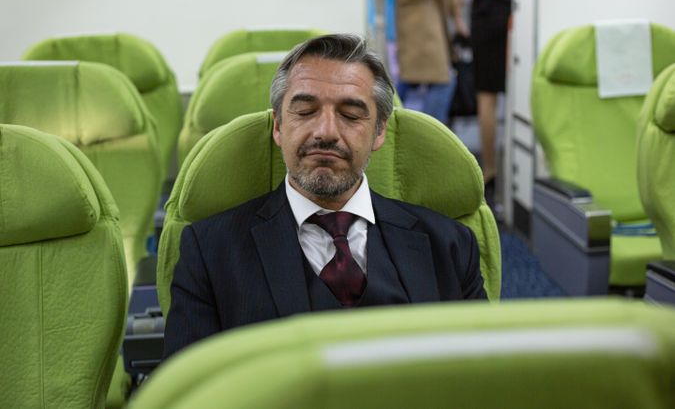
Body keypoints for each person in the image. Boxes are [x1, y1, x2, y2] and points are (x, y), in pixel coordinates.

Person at [163, 34, 487, 358]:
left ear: (379, 131)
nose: (326, 132)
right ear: (278, 127)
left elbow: (482, 380)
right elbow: (189, 394)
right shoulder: (210, 253)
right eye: (305, 111)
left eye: (350, 115)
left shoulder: (450, 246)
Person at [394, 0, 467, 125]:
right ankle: (428, 135)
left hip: (431, 17)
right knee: (442, 81)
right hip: (419, 19)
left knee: (413, 79)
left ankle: (395, 125)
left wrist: (456, 14)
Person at [465, 0, 511, 204]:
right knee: (513, 96)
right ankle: (508, 168)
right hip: (510, 19)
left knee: (486, 99)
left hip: (484, 22)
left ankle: (490, 170)